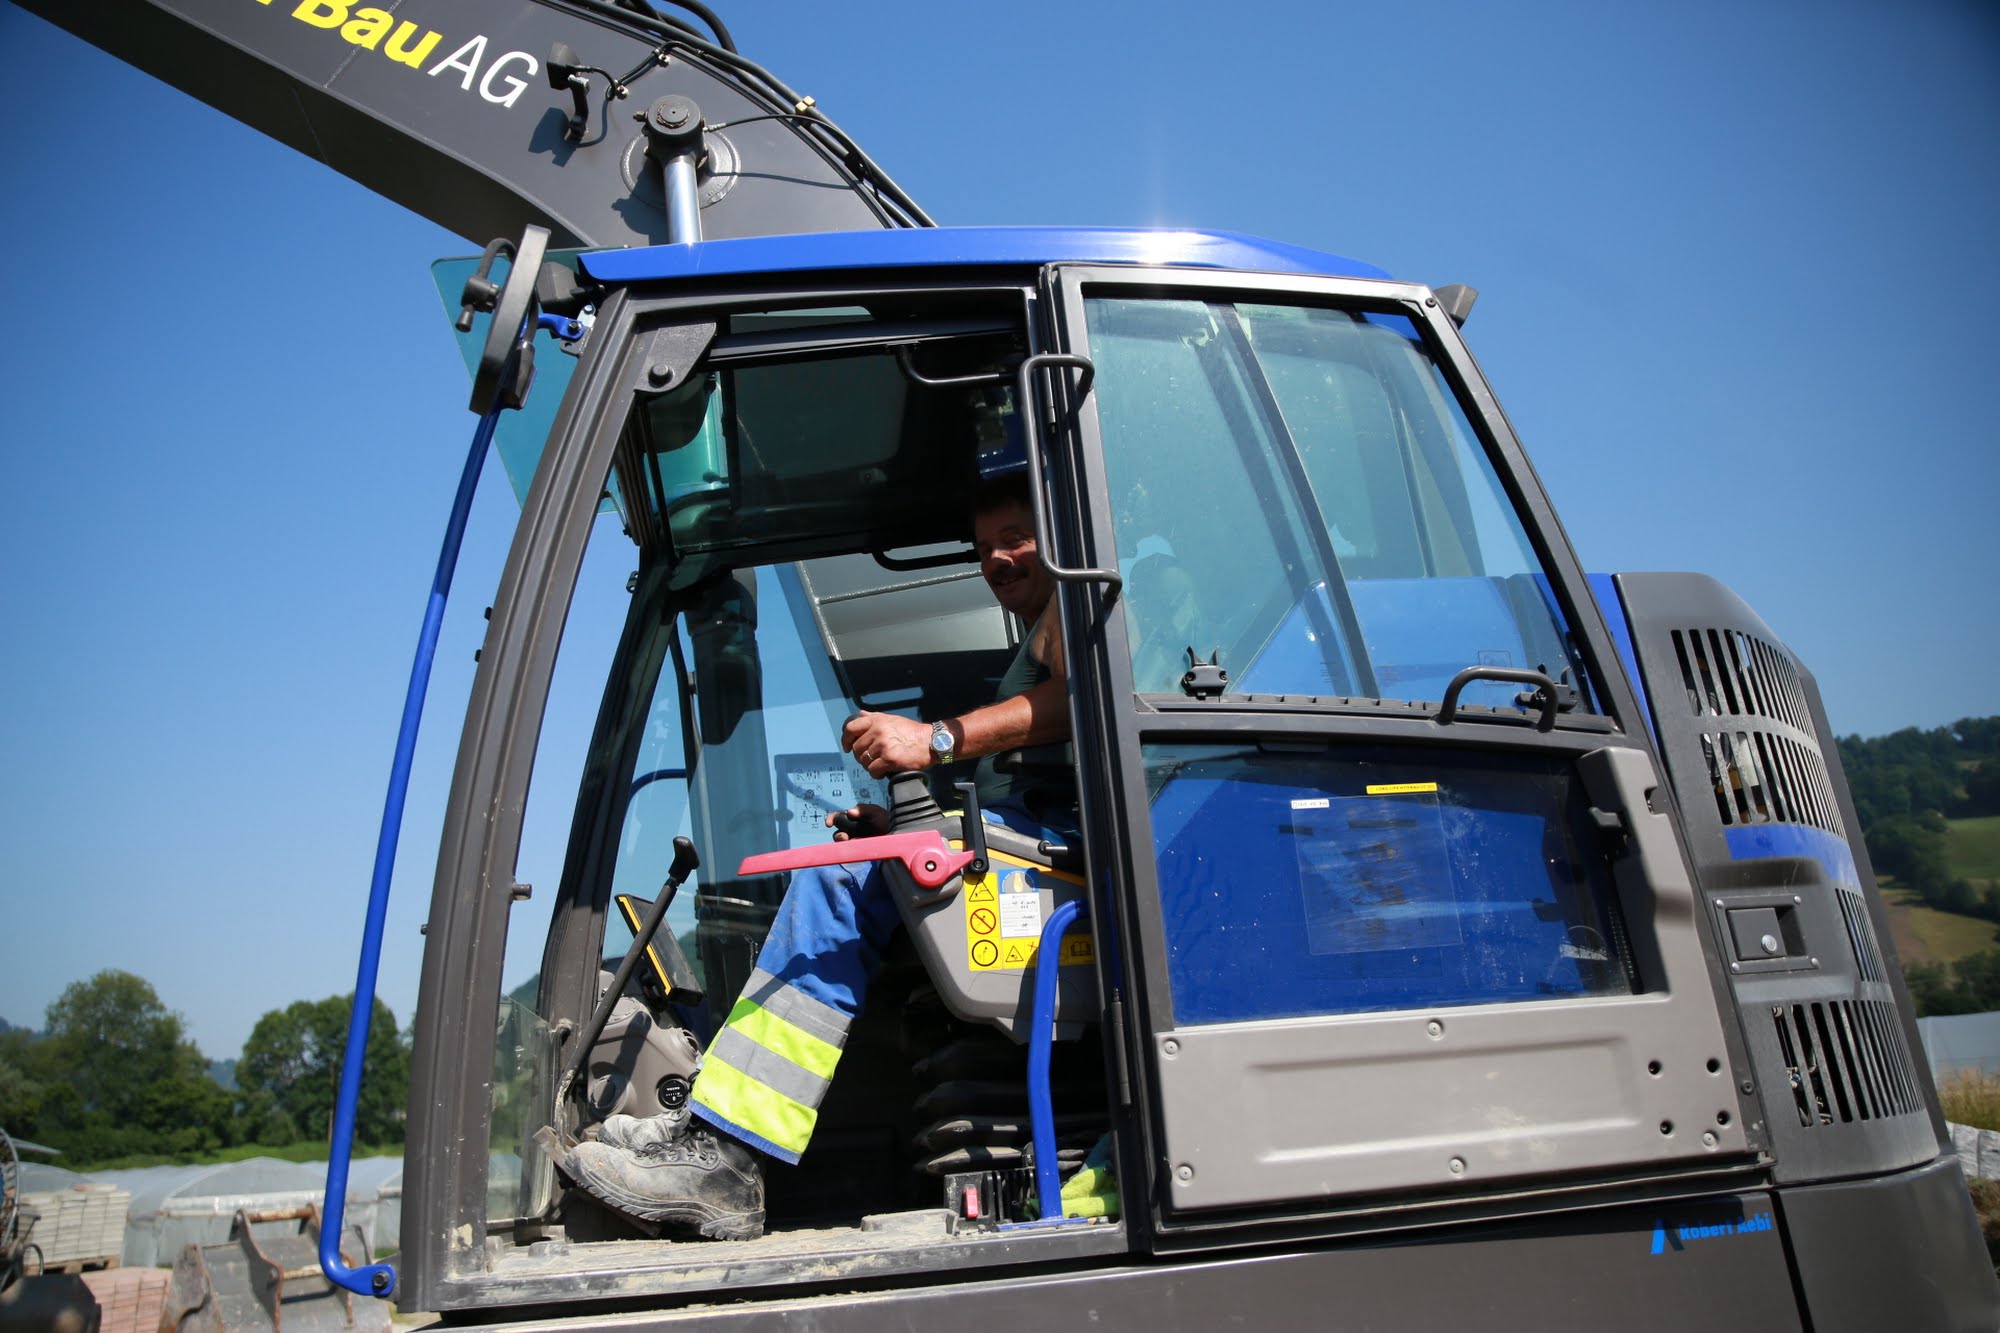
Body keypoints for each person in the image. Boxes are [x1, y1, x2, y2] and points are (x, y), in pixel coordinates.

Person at [564, 473, 1073, 1240]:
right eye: (984, 549)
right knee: (858, 857)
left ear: (1063, 533)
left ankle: (728, 1156)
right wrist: (903, 823)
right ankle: (714, 1125)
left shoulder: (1079, 607)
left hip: (1066, 870)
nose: (998, 559)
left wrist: (933, 738)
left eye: (1015, 537)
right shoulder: (1033, 636)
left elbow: (1095, 693)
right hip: (1021, 849)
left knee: (837, 877)